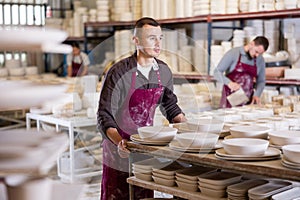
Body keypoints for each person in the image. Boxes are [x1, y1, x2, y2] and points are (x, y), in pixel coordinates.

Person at [97, 17, 186, 200]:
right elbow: (104, 114)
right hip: (118, 148)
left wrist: (188, 127)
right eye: (152, 38)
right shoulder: (119, 72)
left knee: (143, 192)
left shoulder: (163, 71)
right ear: (136, 40)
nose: (158, 43)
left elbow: (170, 106)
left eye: (160, 38)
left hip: (145, 146)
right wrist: (119, 141)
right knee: (118, 194)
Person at [213, 36, 269, 108]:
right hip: (229, 101)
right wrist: (229, 83)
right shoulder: (233, 53)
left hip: (248, 102)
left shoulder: (260, 60)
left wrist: (257, 94)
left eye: (260, 54)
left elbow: (261, 81)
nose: (257, 55)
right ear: (252, 44)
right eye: (256, 52)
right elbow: (216, 73)